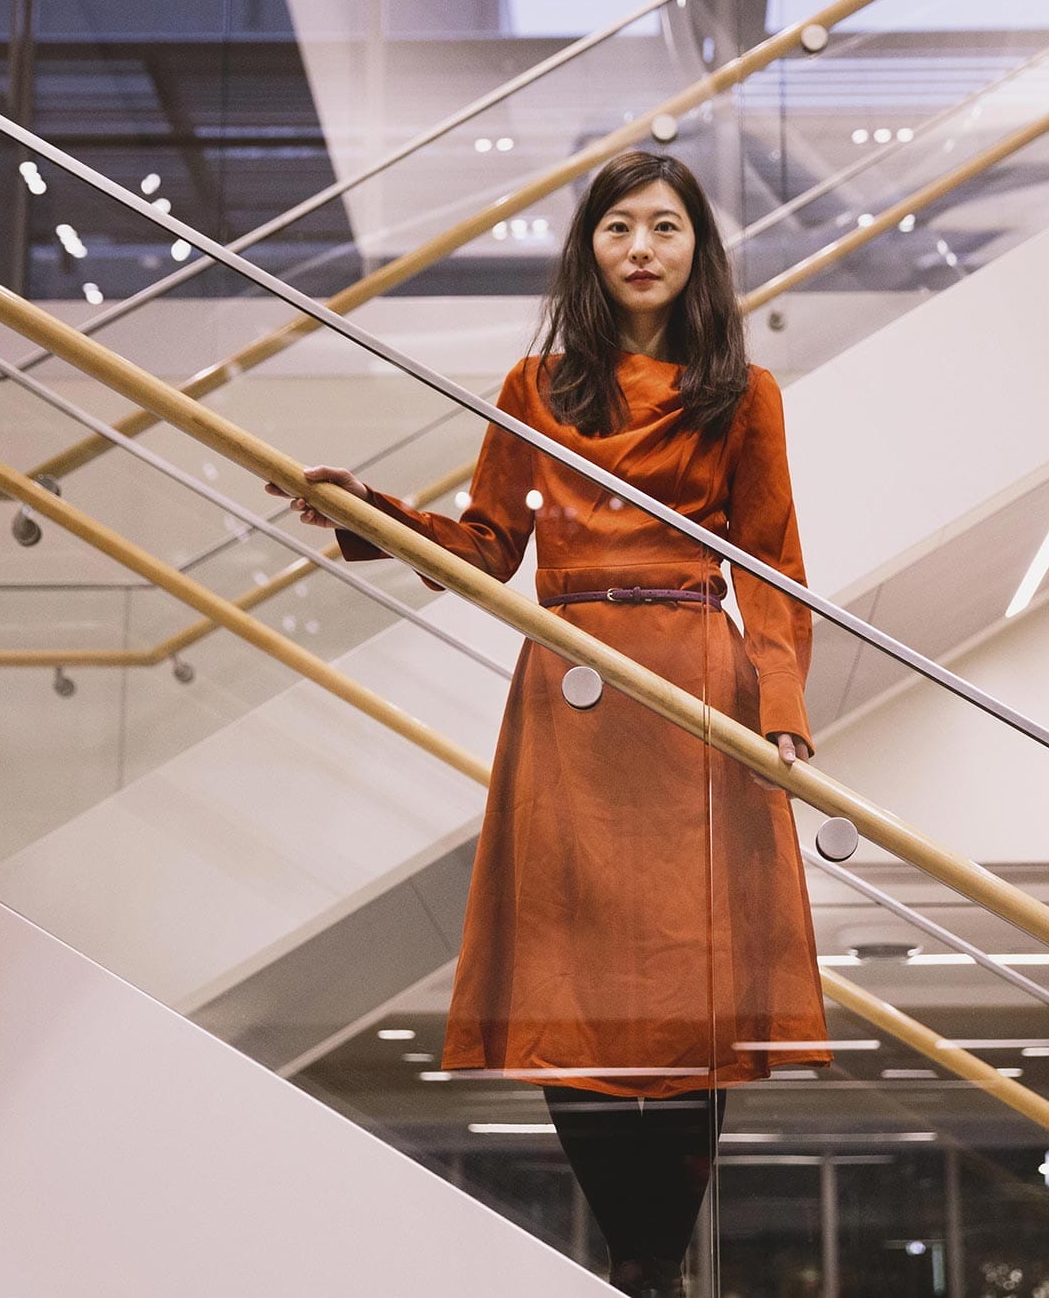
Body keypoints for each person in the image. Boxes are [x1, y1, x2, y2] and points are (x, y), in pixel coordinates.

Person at [271, 151, 829, 1297]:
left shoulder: (745, 392)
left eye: (665, 227)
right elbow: (486, 544)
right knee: (576, 970)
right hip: (570, 686)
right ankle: (637, 1262)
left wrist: (779, 710)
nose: (640, 247)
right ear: (588, 249)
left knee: (688, 975)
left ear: (696, 252)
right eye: (618, 226)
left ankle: (653, 1265)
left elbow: (771, 563)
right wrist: (362, 510)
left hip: (692, 693)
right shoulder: (536, 389)